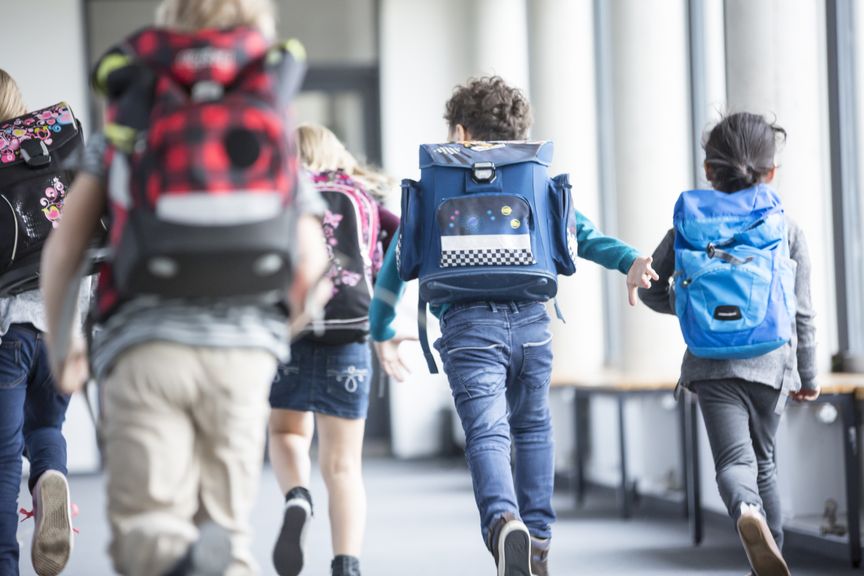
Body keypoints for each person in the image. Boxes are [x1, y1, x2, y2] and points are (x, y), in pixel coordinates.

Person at [39, 1, 330, 574]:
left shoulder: (131, 118)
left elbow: (64, 247)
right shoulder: (269, 124)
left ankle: (174, 559)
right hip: (242, 357)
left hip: (145, 348)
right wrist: (274, 332)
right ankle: (215, 555)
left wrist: (62, 345)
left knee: (148, 525)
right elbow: (313, 265)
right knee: (228, 526)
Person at [371, 75, 658, 576]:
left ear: (460, 133)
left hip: (465, 328)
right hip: (531, 324)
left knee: (487, 433)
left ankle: (504, 523)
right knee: (533, 427)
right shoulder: (534, 178)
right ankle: (540, 536)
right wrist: (629, 259)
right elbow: (581, 234)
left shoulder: (436, 183)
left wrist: (379, 329)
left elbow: (395, 267)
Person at [639, 112, 819, 576]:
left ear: (708, 171)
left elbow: (651, 287)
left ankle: (744, 510)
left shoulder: (689, 223)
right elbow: (802, 312)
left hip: (711, 364)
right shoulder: (786, 227)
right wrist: (809, 375)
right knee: (765, 462)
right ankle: (773, 549)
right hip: (770, 363)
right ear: (771, 171)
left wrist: (692, 312)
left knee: (734, 462)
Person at [268, 124, 399, 576]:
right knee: (343, 466)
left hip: (292, 332)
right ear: (336, 154)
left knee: (286, 434)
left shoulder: (283, 194)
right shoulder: (363, 198)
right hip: (349, 334)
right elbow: (386, 259)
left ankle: (297, 497)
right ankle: (346, 565)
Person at [0, 68, 80, 576]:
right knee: (46, 425)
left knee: (4, 460)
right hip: (61, 324)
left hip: (6, 332)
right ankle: (50, 473)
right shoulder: (52, 148)